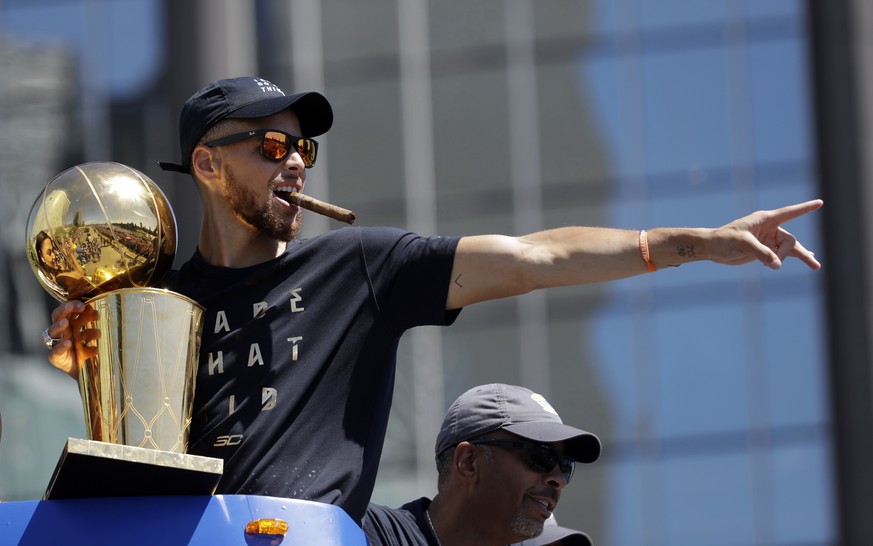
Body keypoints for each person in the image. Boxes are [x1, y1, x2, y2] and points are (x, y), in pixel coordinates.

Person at [42, 76, 822, 524]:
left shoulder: (361, 265)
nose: (296, 166)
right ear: (207, 163)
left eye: (303, 149)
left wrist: (697, 241)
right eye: (271, 147)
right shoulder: (157, 304)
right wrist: (84, 360)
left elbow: (534, 258)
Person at [362, 383, 598, 546]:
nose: (558, 479)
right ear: (468, 462)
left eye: (566, 465)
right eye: (541, 456)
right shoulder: (367, 533)